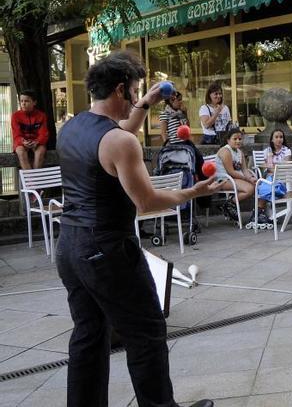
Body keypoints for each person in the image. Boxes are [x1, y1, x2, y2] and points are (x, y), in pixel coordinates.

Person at [56, 50, 219, 407]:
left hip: (69, 245)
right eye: (133, 90)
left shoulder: (72, 127)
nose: (135, 97)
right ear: (119, 90)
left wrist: (145, 102)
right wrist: (191, 192)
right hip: (108, 249)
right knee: (145, 332)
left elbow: (112, 139)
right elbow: (145, 202)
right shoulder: (121, 142)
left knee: (89, 333)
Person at [12, 89, 49, 170]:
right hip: (21, 142)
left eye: (26, 101)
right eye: (21, 101)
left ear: (34, 102)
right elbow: (16, 134)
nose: (23, 103)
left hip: (37, 142)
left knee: (40, 152)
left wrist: (37, 141)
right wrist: (23, 141)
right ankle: (30, 181)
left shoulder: (41, 115)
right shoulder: (15, 116)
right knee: (21, 152)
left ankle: (35, 177)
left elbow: (44, 134)